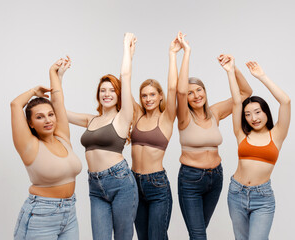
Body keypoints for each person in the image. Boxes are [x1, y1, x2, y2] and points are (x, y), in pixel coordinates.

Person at [176, 35, 253, 239]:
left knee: (200, 231)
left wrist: (232, 68)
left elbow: (246, 92)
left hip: (215, 177)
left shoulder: (215, 112)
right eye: (191, 93)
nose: (196, 95)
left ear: (205, 91)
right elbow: (180, 93)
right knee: (199, 234)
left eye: (199, 90)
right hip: (190, 179)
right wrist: (187, 53)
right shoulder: (183, 117)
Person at [66, 33, 138, 240]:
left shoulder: (123, 117)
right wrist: (58, 76)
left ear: (118, 94)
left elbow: (125, 77)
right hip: (95, 184)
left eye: (111, 90)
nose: (106, 94)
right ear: (98, 94)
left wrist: (126, 49)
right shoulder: (91, 120)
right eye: (102, 90)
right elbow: (61, 112)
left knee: (123, 237)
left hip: (120, 181)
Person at [11, 56, 82, 239]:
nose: (48, 119)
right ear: (31, 123)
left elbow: (58, 102)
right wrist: (34, 91)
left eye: (50, 115)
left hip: (69, 213)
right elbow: (16, 104)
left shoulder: (62, 137)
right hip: (41, 215)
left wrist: (53, 73)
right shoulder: (29, 146)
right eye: (40, 117)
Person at [220, 56, 291, 240]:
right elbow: (237, 102)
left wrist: (262, 76)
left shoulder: (277, 134)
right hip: (236, 193)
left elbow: (286, 102)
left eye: (258, 112)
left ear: (266, 112)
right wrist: (230, 71)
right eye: (248, 114)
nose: (254, 118)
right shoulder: (241, 134)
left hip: (263, 198)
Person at [130, 32, 182, 239]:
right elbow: (124, 88)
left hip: (157, 185)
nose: (148, 98)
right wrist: (130, 56)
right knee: (143, 237)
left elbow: (173, 87)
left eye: (152, 94)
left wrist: (172, 54)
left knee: (156, 236)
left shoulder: (167, 117)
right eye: (144, 95)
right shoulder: (137, 115)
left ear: (160, 96)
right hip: (133, 182)